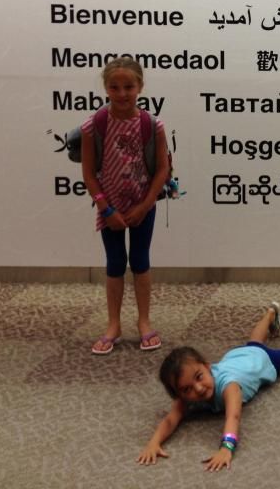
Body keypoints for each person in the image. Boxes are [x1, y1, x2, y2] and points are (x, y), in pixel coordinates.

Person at [137, 304, 280, 471]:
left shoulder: (229, 386)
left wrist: (226, 447)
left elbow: (233, 416)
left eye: (199, 377)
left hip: (263, 361)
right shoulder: (187, 394)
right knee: (254, 343)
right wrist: (153, 443)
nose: (199, 388)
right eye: (187, 389)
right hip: (238, 355)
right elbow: (170, 420)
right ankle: (270, 313)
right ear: (178, 394)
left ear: (207, 366)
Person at [81, 57, 170, 355]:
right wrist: (106, 209)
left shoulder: (153, 126)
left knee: (141, 260)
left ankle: (144, 321)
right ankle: (113, 324)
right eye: (114, 87)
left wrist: (145, 206)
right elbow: (89, 173)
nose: (122, 93)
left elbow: (162, 170)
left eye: (128, 87)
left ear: (140, 87)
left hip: (143, 203)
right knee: (115, 262)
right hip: (110, 206)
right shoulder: (93, 126)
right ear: (105, 88)